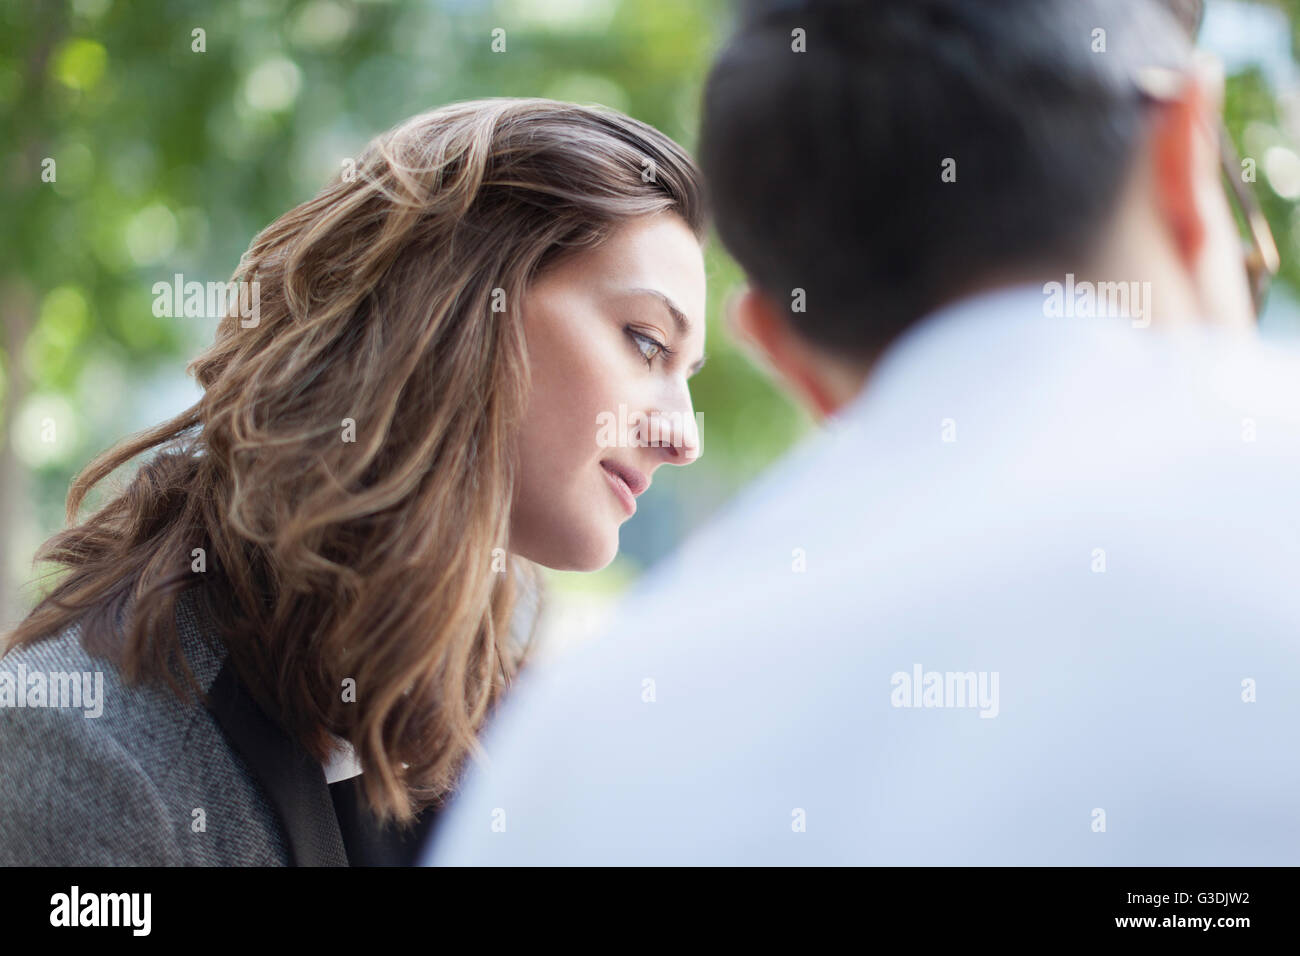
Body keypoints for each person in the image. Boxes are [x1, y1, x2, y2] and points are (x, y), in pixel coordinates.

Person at [424, 0, 1300, 865]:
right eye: (646, 342)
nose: (682, 439)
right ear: (1185, 150)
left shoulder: (567, 756)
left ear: (783, 349)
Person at [0, 99, 707, 865]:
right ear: (458, 305)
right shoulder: (83, 753)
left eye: (688, 374)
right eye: (646, 343)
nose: (685, 435)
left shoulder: (483, 721)